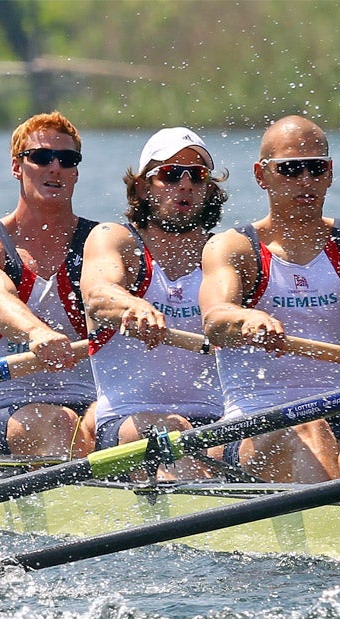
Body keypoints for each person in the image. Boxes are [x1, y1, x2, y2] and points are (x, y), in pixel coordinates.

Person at [199, 115, 340, 482]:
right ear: (261, 174)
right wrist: (245, 320)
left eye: (316, 169)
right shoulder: (235, 247)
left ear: (330, 172)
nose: (305, 181)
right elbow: (216, 320)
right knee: (309, 428)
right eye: (290, 169)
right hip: (252, 422)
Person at [81, 127, 228, 478]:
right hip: (127, 420)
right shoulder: (115, 240)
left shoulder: (224, 251)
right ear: (144, 187)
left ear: (209, 189)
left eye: (198, 175)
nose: (186, 184)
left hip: (217, 421)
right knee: (173, 432)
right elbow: (99, 295)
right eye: (170, 174)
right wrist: (133, 307)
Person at [0, 112, 97, 458]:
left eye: (67, 159)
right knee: (56, 423)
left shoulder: (99, 242)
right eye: (41, 158)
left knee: (146, 429)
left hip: (89, 406)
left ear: (76, 171)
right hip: (3, 409)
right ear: (17, 166)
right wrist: (36, 332)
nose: (55, 168)